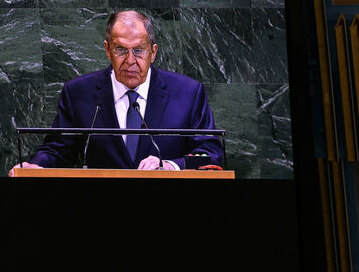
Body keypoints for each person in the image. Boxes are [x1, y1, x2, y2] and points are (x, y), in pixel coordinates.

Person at [12, 10, 223, 172]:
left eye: (138, 51)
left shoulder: (187, 93)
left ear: (153, 52)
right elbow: (58, 149)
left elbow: (211, 154)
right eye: (121, 50)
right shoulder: (78, 93)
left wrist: (171, 165)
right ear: (107, 50)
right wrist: (38, 166)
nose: (130, 61)